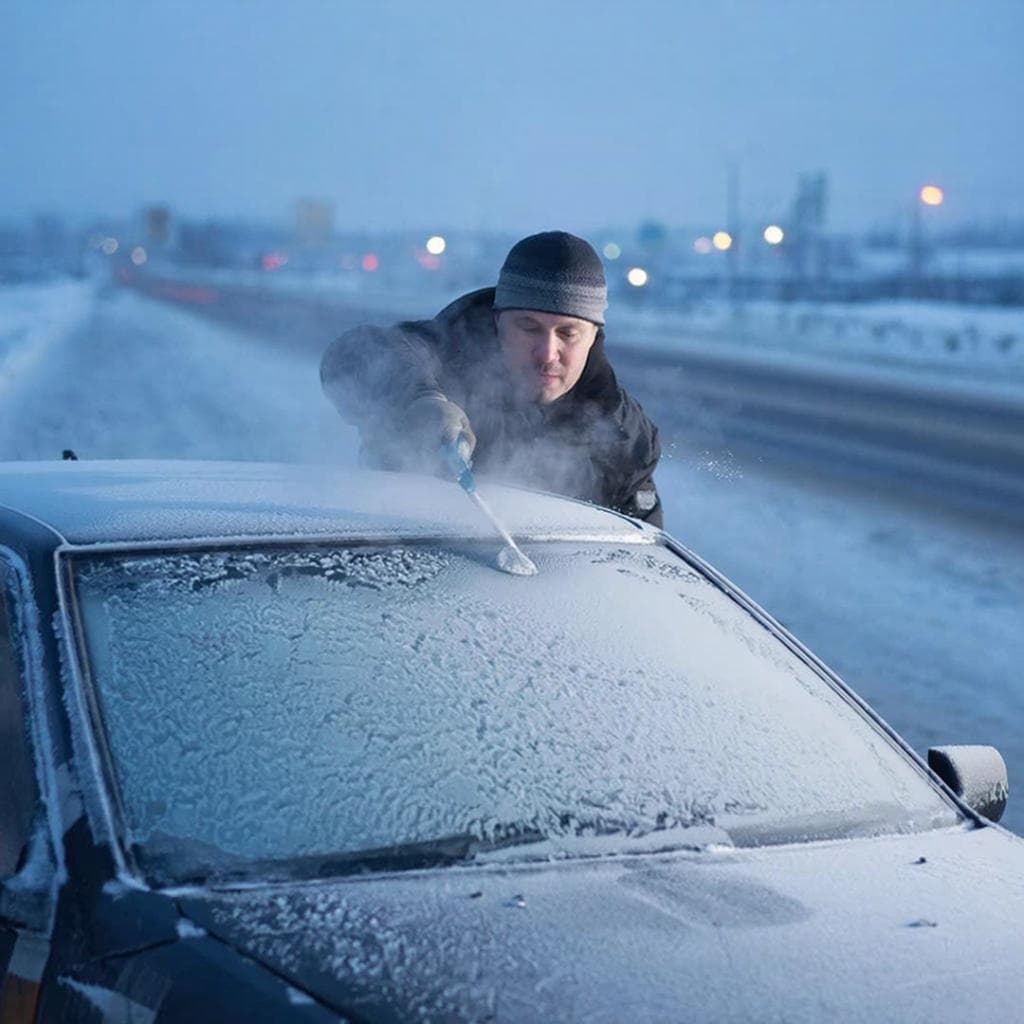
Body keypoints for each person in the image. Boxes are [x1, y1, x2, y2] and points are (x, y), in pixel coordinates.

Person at [319, 230, 663, 526]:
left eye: (568, 333)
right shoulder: (446, 358)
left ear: (594, 336)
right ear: (498, 322)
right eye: (529, 328)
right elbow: (354, 356)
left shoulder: (624, 438)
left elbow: (642, 570)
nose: (547, 352)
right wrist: (419, 400)